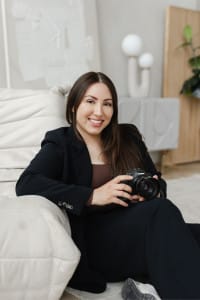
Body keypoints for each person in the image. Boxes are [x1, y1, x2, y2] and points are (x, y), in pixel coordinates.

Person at [16, 71, 200, 300]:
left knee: (188, 233)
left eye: (107, 104)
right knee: (163, 214)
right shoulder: (60, 142)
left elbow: (156, 180)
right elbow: (26, 183)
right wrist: (92, 196)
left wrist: (151, 191)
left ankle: (146, 290)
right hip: (95, 243)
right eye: (90, 102)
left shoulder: (127, 137)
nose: (99, 112)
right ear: (74, 106)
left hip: (138, 226)